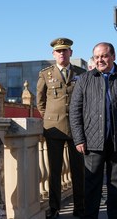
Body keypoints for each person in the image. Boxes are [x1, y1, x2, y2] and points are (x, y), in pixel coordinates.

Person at [69, 42, 117, 219]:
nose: (100, 60)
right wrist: (79, 139)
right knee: (92, 188)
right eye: (96, 57)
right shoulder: (85, 79)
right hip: (92, 143)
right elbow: (75, 111)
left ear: (113, 56)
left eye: (104, 56)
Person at [36, 37, 87, 219]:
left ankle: (79, 208)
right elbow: (40, 102)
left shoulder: (81, 73)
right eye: (58, 51)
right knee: (55, 171)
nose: (62, 54)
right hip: (54, 129)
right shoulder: (45, 74)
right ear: (53, 54)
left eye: (65, 50)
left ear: (70, 53)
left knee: (78, 171)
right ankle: (55, 208)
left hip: (76, 129)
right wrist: (50, 118)